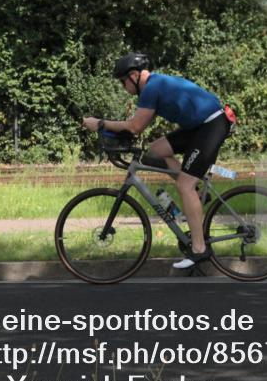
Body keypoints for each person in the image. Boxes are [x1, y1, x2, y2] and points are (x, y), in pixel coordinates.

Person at [81, 52, 235, 269]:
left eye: (123, 82)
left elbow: (134, 127)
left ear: (134, 75)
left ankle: (200, 249)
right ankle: (198, 192)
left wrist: (100, 124)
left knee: (184, 185)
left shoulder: (152, 88)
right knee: (155, 150)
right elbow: (136, 127)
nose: (124, 87)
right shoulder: (154, 86)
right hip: (199, 126)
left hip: (212, 125)